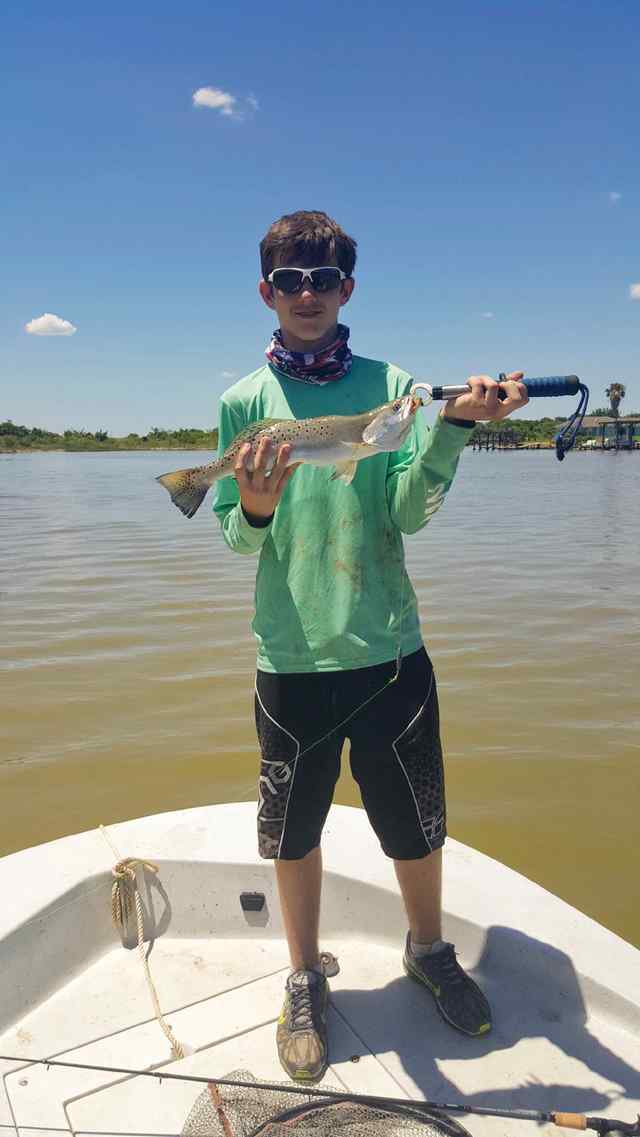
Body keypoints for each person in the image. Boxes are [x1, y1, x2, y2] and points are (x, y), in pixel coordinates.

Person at [213, 210, 528, 1083]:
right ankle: (304, 974)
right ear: (267, 292)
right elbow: (235, 537)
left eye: (323, 279)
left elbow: (408, 512)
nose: (307, 293)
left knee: (415, 824)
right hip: (290, 656)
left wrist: (452, 427)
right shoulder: (244, 401)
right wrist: (257, 505)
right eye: (290, 280)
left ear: (348, 287)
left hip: (390, 649)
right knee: (292, 832)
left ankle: (428, 948)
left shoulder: (394, 390)